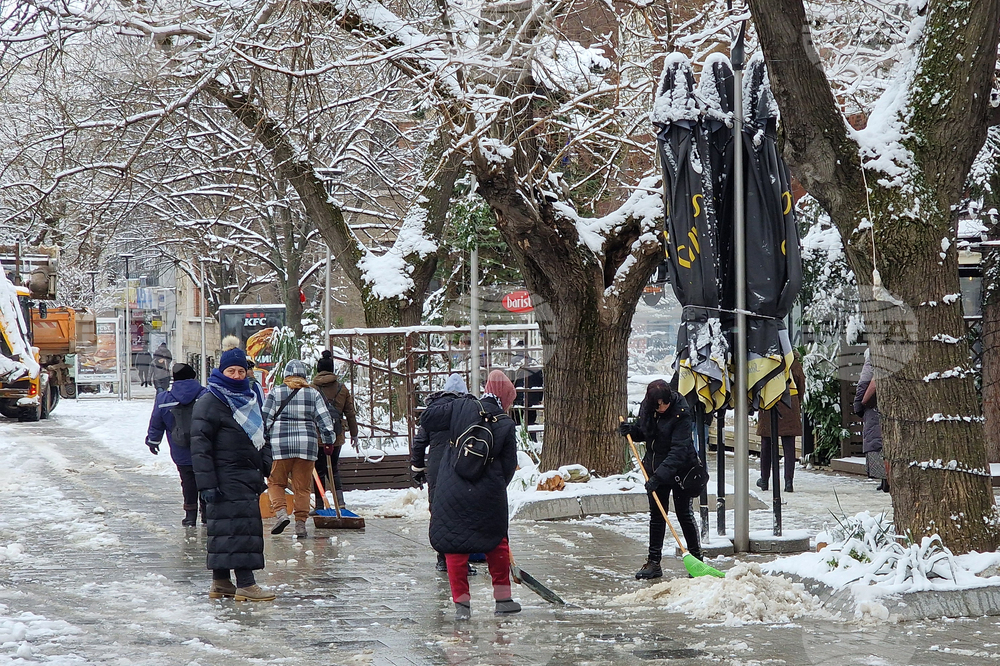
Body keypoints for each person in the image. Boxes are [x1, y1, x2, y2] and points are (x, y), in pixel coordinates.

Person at [427, 370, 520, 620]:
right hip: (488, 493)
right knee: (496, 544)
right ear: (506, 397)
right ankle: (503, 600)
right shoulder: (505, 423)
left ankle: (462, 606)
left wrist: (452, 400)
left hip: (452, 487)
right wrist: (495, 483)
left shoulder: (462, 407)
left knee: (455, 547)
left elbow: (427, 419)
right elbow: (510, 464)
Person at [190, 347, 275, 601]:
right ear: (221, 371)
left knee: (225, 529)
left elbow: (262, 434)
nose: (237, 375)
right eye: (231, 370)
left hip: (246, 476)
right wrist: (206, 484)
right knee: (240, 529)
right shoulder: (210, 401)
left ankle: (221, 582)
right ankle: (246, 584)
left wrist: (265, 462)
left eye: (241, 371)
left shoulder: (249, 399)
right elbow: (199, 447)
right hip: (224, 477)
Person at [618, 379, 703, 580]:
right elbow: (647, 433)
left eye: (665, 403)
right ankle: (653, 563)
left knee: (684, 514)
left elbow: (678, 451)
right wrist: (632, 431)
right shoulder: (648, 408)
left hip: (681, 470)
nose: (662, 408)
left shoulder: (681, 412)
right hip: (656, 468)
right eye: (658, 405)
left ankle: (697, 561)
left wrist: (658, 477)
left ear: (669, 398)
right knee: (657, 516)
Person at [264, 359, 338, 538]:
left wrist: (263, 440)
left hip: (280, 445)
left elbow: (264, 418)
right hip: (307, 445)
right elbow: (325, 421)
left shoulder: (276, 392)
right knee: (302, 488)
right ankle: (300, 524)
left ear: (286, 376)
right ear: (305, 376)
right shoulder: (313, 394)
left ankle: (281, 514)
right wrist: (329, 442)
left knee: (275, 482)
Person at [411, 372, 469, 572]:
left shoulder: (432, 410)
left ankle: (442, 558)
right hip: (462, 464)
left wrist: (417, 469)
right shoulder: (468, 409)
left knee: (438, 511)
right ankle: (462, 560)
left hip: (437, 467)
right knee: (463, 510)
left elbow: (419, 443)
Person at [146, 363, 209, 526]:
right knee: (205, 478)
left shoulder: (164, 398)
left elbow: (156, 422)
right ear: (194, 376)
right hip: (205, 448)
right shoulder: (205, 395)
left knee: (187, 481)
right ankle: (207, 513)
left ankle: (190, 515)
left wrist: (153, 441)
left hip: (180, 448)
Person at [312, 350, 359, 510]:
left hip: (317, 435)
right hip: (336, 435)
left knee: (318, 470)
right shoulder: (342, 388)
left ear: (318, 369)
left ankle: (319, 504)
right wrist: (354, 434)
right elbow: (350, 413)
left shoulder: (312, 388)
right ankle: (340, 502)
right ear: (332, 369)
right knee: (334, 468)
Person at [756, 353, 806, 493]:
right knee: (789, 445)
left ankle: (764, 480)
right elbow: (800, 380)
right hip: (790, 401)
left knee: (766, 444)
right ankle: (788, 482)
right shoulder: (792, 359)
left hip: (768, 402)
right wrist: (797, 401)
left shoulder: (764, 359)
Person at [854, 352, 887, 492]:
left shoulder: (873, 356)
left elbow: (864, 383)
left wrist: (858, 405)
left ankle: (885, 479)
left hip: (874, 406)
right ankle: (886, 480)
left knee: (877, 442)